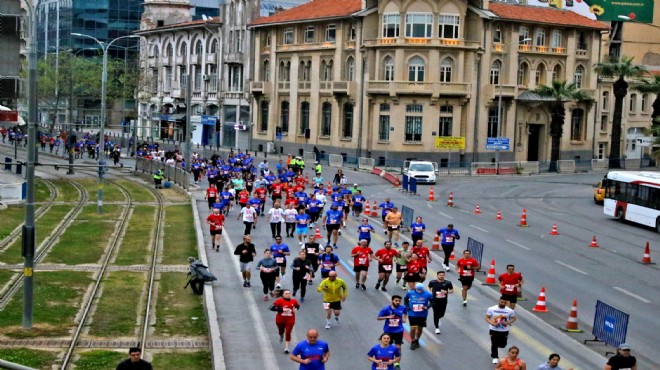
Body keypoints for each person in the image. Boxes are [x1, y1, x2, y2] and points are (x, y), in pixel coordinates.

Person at [377, 295, 407, 370]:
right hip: (388, 331)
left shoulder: (402, 308)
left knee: (398, 347)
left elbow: (405, 313)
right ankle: (388, 362)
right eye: (396, 300)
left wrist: (404, 319)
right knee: (388, 347)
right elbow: (378, 318)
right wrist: (388, 317)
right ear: (392, 300)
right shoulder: (386, 309)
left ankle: (396, 363)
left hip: (398, 330)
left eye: (399, 301)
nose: (398, 302)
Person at [486, 296, 517, 364]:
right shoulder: (491, 309)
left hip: (504, 330)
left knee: (503, 345)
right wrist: (492, 323)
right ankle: (495, 357)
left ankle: (496, 347)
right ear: (498, 300)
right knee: (494, 343)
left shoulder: (510, 311)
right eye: (501, 302)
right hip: (493, 329)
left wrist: (507, 322)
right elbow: (487, 318)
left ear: (506, 303)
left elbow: (514, 318)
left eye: (504, 302)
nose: (503, 303)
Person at [404, 283, 433, 350]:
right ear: (415, 288)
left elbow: (433, 302)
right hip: (412, 314)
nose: (419, 290)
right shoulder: (410, 293)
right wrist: (408, 307)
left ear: (423, 289)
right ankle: (412, 341)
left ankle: (417, 340)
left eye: (421, 289)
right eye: (418, 289)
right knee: (413, 329)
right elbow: (405, 300)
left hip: (422, 314)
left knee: (420, 328)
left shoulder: (428, 294)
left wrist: (427, 306)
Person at [271, 289, 300, 354]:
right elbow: (271, 308)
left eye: (289, 293)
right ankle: (281, 335)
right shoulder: (279, 301)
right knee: (281, 331)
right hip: (280, 320)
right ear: (283, 295)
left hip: (290, 319)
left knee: (288, 333)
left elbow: (298, 306)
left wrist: (295, 309)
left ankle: (286, 348)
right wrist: (281, 309)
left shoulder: (293, 301)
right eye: (286, 294)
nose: (288, 295)